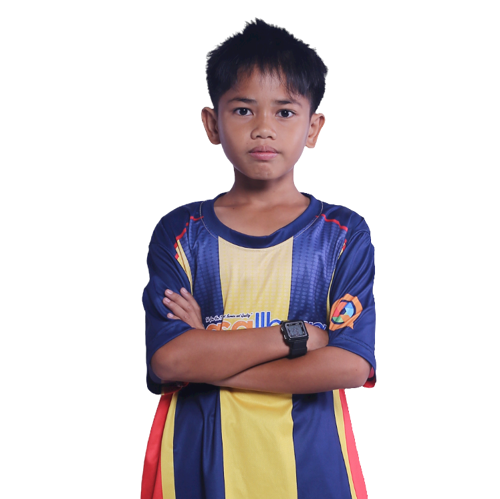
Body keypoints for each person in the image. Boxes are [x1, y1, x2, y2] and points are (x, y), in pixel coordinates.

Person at [141, 18, 376, 499]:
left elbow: (350, 366)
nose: (263, 128)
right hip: (197, 461)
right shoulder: (181, 232)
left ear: (314, 128)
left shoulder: (342, 232)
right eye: (244, 109)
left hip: (314, 466)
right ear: (212, 124)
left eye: (285, 111)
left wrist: (211, 351)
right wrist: (297, 336)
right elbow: (170, 360)